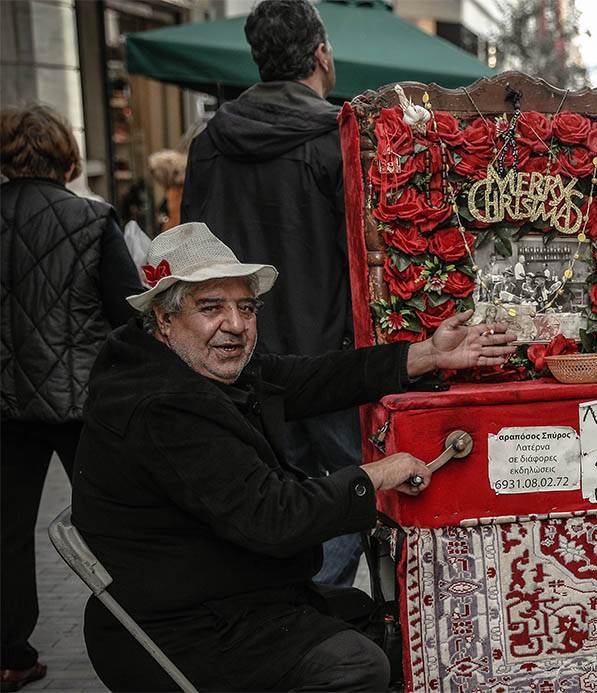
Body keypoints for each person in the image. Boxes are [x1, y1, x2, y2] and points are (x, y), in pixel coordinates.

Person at [72, 222, 515, 691]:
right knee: (358, 665)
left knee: (404, 629)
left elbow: (310, 378)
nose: (237, 325)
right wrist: (374, 475)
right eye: (211, 308)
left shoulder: (184, 364)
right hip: (177, 627)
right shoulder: (163, 404)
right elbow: (274, 517)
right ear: (163, 318)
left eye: (246, 307)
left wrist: (426, 355)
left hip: (229, 591)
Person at [180, 0, 363, 584]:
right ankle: (316, 610)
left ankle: (294, 615)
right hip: (325, 353)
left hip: (237, 352)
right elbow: (365, 255)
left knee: (267, 497)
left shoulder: (210, 142)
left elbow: (187, 252)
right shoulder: (337, 139)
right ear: (321, 55)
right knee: (353, 489)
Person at [0, 104, 142, 691]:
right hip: (80, 404)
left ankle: (9, 652)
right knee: (113, 522)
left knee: (5, 531)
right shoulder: (89, 220)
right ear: (66, 154)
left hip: (3, 405)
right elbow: (128, 312)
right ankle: (139, 634)